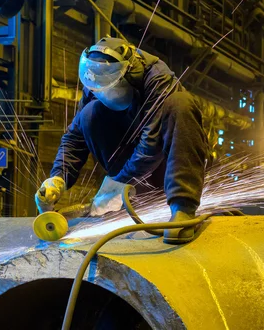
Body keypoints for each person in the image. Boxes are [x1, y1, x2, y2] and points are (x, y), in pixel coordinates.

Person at [34, 37, 208, 244]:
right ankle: (130, 200)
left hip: (167, 165)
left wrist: (119, 183)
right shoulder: (96, 78)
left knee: (181, 104)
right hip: (134, 177)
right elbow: (75, 136)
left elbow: (150, 144)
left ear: (129, 75)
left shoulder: (157, 78)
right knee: (89, 114)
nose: (106, 95)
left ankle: (183, 208)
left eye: (113, 88)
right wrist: (58, 178)